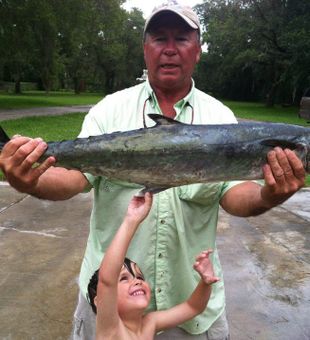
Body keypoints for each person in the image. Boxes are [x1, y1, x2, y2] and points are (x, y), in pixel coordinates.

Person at [0, 2, 306, 339]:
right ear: (145, 50)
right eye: (160, 38)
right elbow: (73, 178)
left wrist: (269, 194)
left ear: (198, 51)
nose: (170, 49)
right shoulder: (110, 110)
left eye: (182, 39)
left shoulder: (220, 115)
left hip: (191, 304)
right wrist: (30, 178)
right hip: (111, 307)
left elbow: (234, 196)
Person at [89, 192, 219, 339]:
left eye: (139, 276)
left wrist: (205, 283)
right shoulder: (111, 330)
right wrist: (131, 220)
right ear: (99, 301)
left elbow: (193, 307)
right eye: (124, 278)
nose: (137, 281)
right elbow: (107, 280)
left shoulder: (150, 324)